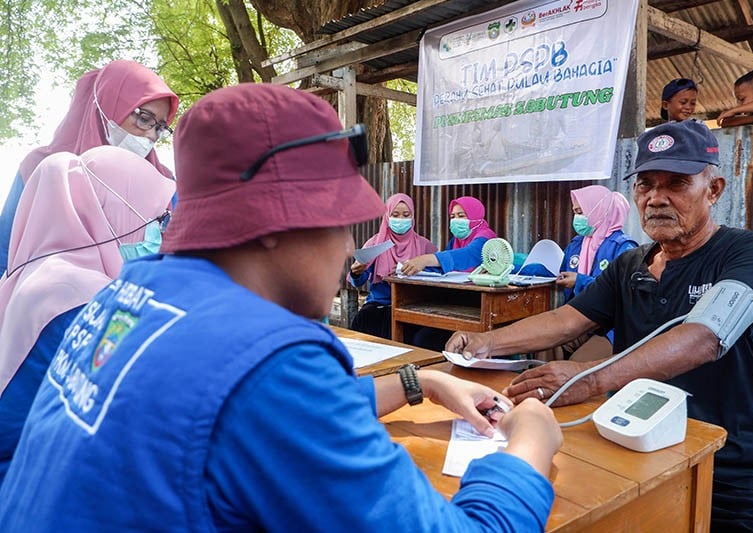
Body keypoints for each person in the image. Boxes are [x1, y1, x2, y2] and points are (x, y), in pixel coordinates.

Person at [0, 83, 563, 531]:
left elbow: (256, 412)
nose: (349, 248)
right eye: (340, 222)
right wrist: (530, 444)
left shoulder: (137, 289)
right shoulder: (265, 355)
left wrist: (425, 383)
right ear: (272, 223)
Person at [445, 119, 753, 532]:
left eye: (677, 184)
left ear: (713, 190)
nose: (656, 199)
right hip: (632, 444)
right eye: (645, 184)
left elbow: (705, 336)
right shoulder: (632, 265)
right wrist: (485, 342)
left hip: (732, 465)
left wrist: (590, 379)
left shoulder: (751, 252)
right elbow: (566, 320)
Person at [0, 145, 175, 483]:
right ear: (110, 212)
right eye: (157, 218)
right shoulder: (83, 294)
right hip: (27, 473)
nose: (161, 232)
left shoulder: (36, 273)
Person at [0, 59, 179, 270]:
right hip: (48, 300)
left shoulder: (164, 184)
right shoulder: (41, 168)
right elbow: (5, 253)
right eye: (144, 118)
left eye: (160, 127)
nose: (150, 135)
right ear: (106, 106)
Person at [556, 185, 638, 361]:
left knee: (575, 367)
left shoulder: (623, 247)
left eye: (581, 212)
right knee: (545, 347)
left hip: (611, 326)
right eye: (575, 212)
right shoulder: (577, 244)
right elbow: (559, 273)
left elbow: (621, 293)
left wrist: (580, 281)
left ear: (598, 211)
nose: (577, 218)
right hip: (580, 318)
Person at [348, 193, 436, 339]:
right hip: (379, 305)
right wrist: (356, 272)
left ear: (412, 216)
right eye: (395, 214)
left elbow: (437, 276)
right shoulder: (375, 243)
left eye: (406, 215)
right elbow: (359, 281)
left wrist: (413, 270)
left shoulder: (425, 245)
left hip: (413, 306)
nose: (401, 219)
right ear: (387, 216)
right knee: (364, 322)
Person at [398, 195, 496, 276]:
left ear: (475, 216)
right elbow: (445, 266)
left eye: (461, 216)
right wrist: (416, 268)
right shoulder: (456, 240)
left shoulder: (486, 237)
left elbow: (468, 254)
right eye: (452, 217)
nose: (455, 220)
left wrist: (426, 259)